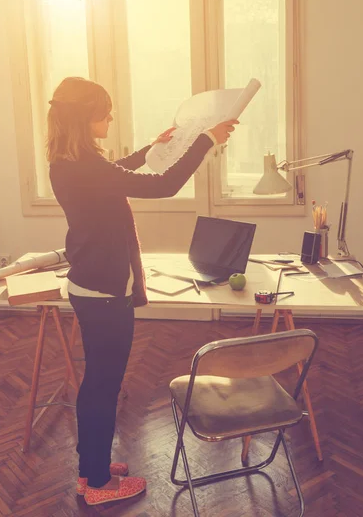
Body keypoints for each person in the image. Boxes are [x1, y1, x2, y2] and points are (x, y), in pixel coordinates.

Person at [47, 76, 238, 506]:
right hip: (104, 293)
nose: (110, 118)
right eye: (104, 112)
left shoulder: (70, 162)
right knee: (102, 385)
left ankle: (90, 468)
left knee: (97, 384)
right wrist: (205, 139)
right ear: (84, 118)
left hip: (90, 286)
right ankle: (96, 484)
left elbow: (115, 175)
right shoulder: (84, 166)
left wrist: (152, 149)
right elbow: (163, 185)